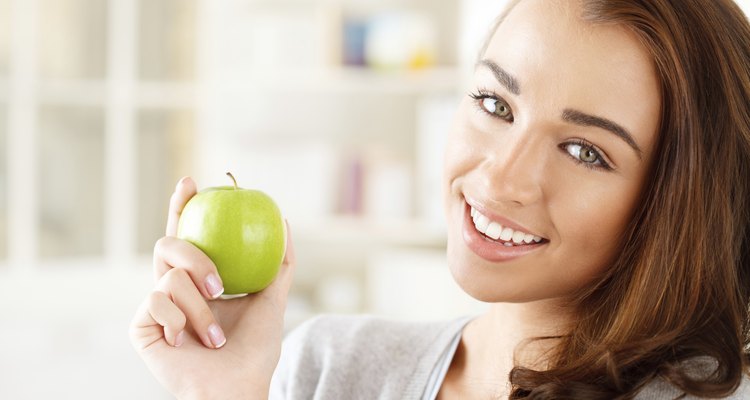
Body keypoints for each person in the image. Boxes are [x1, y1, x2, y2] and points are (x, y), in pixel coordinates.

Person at [129, 0, 750, 398]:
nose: (502, 178)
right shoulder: (330, 369)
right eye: (495, 104)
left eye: (586, 151)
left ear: (678, 203)